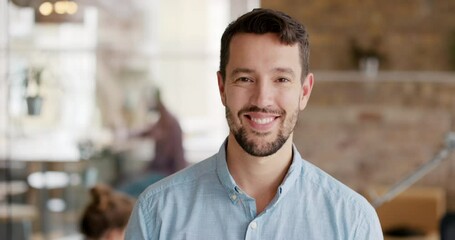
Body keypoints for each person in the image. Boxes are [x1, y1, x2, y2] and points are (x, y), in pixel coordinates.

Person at [125, 8, 383, 239]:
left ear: (304, 92)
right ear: (222, 87)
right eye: (245, 79)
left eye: (281, 79)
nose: (262, 99)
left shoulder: (353, 222)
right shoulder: (157, 212)